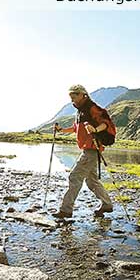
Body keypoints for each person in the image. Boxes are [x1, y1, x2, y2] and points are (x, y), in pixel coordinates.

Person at [51, 84, 114, 219]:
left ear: (83, 95)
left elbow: (105, 123)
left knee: (74, 176)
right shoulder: (80, 111)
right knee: (92, 181)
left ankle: (66, 210)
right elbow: (76, 128)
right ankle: (107, 204)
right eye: (71, 96)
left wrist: (95, 130)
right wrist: (61, 130)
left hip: (92, 149)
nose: (72, 98)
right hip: (88, 149)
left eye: (75, 95)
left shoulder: (92, 108)